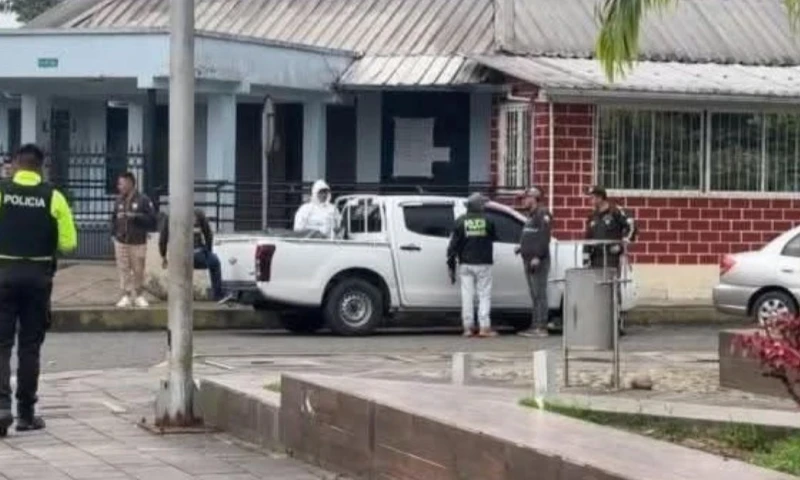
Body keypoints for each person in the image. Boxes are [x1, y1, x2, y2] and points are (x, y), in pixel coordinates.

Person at [0, 144, 77, 437]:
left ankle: (1, 408)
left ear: (15, 165)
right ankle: (26, 414)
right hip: (38, 278)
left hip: (3, 274)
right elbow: (69, 244)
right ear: (41, 167)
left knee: (1, 344)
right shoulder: (53, 196)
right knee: (30, 346)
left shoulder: (2, 192)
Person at [584, 186, 636, 334]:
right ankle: (601, 324)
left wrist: (621, 245)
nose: (590, 200)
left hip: (611, 258)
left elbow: (631, 227)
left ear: (600, 197)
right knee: (598, 291)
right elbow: (588, 238)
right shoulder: (592, 216)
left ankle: (616, 323)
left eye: (592, 197)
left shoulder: (616, 212)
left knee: (612, 289)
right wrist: (586, 257)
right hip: (596, 258)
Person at [447, 193, 498, 338]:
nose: (484, 206)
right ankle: (484, 327)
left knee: (467, 296)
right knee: (484, 295)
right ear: (479, 206)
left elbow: (453, 246)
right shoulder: (488, 220)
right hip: (484, 263)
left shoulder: (460, 221)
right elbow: (493, 237)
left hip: (465, 263)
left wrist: (451, 265)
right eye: (483, 204)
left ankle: (468, 328)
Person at [159, 209, 227, 303]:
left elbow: (163, 239)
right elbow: (208, 234)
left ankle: (177, 297)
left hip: (178, 256)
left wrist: (163, 256)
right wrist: (208, 252)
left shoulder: (170, 215)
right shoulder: (198, 213)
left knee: (179, 272)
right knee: (215, 263)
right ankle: (218, 295)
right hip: (197, 254)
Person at [111, 172, 157, 309]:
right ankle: (125, 295)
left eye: (121, 183)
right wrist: (113, 234)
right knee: (123, 269)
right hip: (121, 240)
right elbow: (113, 218)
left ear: (130, 183)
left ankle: (138, 295)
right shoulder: (118, 200)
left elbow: (152, 219)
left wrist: (135, 216)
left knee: (138, 270)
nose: (119, 187)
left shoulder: (143, 200)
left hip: (138, 241)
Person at [515, 187, 553, 338]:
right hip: (528, 259)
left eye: (526, 198)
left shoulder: (542, 213)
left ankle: (541, 326)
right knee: (534, 295)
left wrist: (538, 256)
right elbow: (531, 234)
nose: (524, 201)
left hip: (538, 261)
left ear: (534, 198)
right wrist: (521, 247)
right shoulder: (530, 215)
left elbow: (544, 236)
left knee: (539, 294)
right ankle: (535, 325)